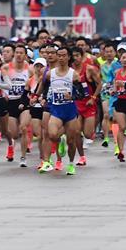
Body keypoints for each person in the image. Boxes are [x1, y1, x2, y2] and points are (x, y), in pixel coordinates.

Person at [39, 46, 83, 176]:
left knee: (71, 140)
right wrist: (42, 98)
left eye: (64, 55)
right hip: (56, 109)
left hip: (70, 110)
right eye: (60, 55)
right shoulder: (50, 74)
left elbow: (82, 93)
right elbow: (45, 87)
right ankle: (60, 140)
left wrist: (73, 96)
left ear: (69, 57)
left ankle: (70, 164)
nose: (61, 58)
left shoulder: (73, 74)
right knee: (51, 134)